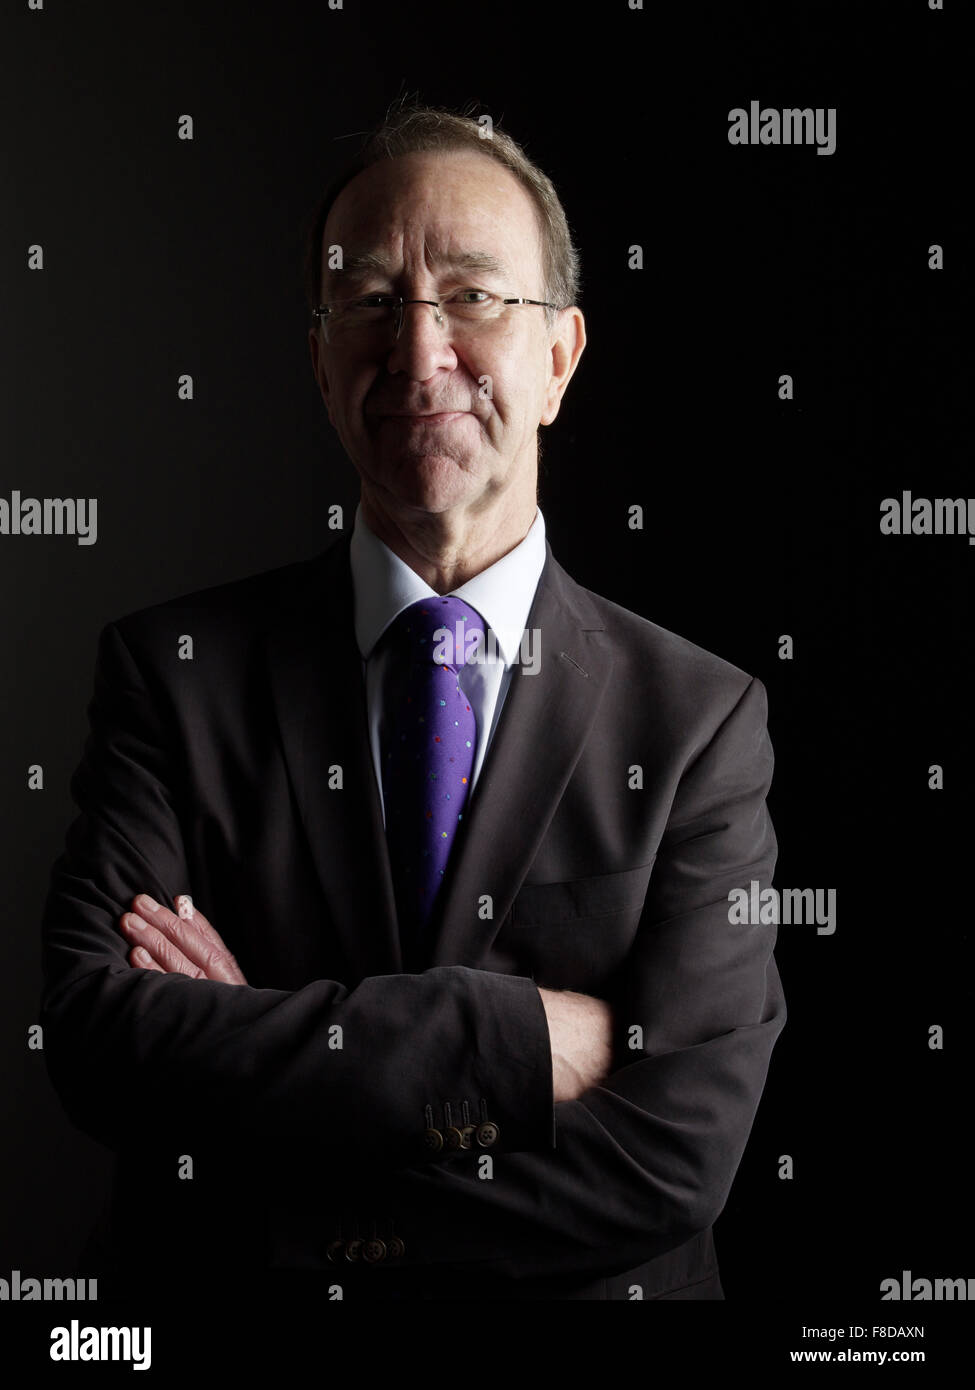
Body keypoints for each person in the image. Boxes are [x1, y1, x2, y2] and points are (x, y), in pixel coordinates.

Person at [39, 102, 786, 1302]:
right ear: (322, 360)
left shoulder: (699, 721)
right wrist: (528, 1044)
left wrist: (263, 1096)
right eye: (372, 302)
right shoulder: (171, 671)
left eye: (475, 297)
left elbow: (676, 1157)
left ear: (560, 358)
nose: (421, 351)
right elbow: (97, 1039)